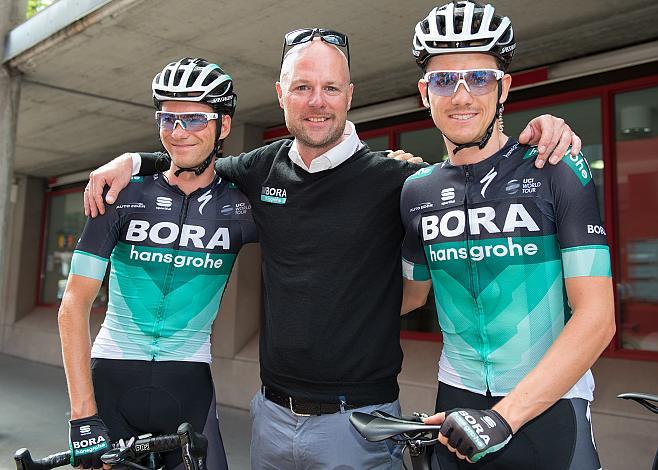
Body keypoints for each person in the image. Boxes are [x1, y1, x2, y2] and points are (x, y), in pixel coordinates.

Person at [83, 29, 582, 469]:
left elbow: (462, 191)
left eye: (328, 88)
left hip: (360, 425)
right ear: (281, 95)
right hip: (271, 418)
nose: (315, 101)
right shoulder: (259, 169)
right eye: (302, 87)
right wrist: (134, 161)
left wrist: (544, 130)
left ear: (349, 95)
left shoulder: (401, 181)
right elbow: (192, 158)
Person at [400, 3, 615, 468]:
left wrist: (504, 417)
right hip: (455, 398)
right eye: (443, 81)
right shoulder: (416, 190)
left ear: (505, 87)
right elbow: (409, 298)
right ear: (424, 93)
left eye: (478, 77)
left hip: (550, 407)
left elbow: (598, 318)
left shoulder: (555, 167)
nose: (461, 96)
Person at [58, 57, 256, 469]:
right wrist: (83, 416)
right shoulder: (121, 195)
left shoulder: (241, 206)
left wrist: (380, 169)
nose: (179, 132)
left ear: (224, 125)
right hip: (111, 375)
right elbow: (73, 305)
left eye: (195, 119)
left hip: (188, 385)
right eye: (168, 119)